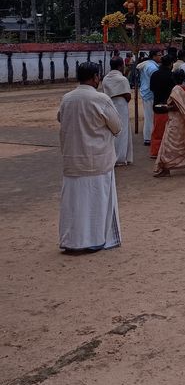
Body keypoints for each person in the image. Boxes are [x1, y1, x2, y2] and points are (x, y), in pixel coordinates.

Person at [57, 62, 122, 253]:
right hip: (97, 159)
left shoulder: (67, 98)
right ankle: (94, 239)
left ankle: (72, 241)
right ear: (95, 77)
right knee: (96, 202)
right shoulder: (100, 99)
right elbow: (117, 127)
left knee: (73, 204)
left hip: (73, 159)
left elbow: (60, 118)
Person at [102, 57, 133, 166]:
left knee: (111, 130)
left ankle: (112, 155)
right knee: (122, 130)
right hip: (121, 106)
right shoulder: (122, 79)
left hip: (109, 105)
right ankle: (121, 157)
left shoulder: (106, 78)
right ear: (121, 66)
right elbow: (128, 96)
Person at [149, 54, 174, 158]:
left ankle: (155, 152)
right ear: (171, 64)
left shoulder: (155, 74)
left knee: (157, 131)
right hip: (169, 106)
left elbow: (152, 88)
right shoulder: (171, 75)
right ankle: (168, 151)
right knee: (170, 132)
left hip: (157, 105)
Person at [138, 49, 161, 146]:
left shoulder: (147, 64)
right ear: (154, 56)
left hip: (146, 92)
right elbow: (156, 80)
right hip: (150, 93)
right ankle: (148, 138)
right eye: (159, 54)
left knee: (149, 116)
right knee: (150, 117)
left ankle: (148, 137)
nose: (161, 57)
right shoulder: (152, 67)